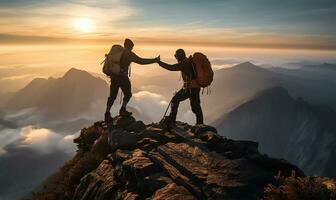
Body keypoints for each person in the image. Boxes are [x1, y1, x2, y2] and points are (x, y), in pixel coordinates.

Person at [105, 38, 159, 122]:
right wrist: (154, 60)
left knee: (112, 96)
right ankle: (122, 109)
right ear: (130, 47)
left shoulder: (119, 52)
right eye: (132, 47)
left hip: (114, 77)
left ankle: (107, 114)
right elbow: (141, 61)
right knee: (128, 94)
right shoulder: (129, 54)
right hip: (122, 77)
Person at [158, 49, 203, 127]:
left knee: (175, 99)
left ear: (179, 56)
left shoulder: (183, 64)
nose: (176, 58)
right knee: (196, 106)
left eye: (176, 56)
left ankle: (172, 119)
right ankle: (200, 124)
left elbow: (171, 67)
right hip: (196, 87)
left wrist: (159, 62)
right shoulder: (189, 61)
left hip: (189, 88)